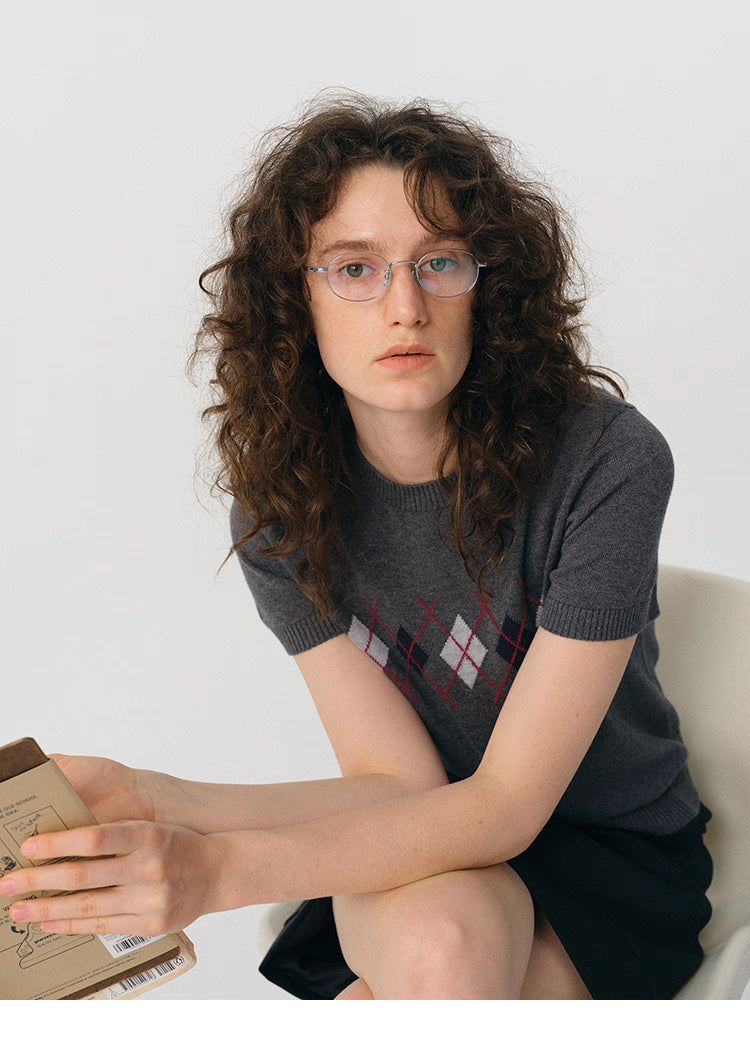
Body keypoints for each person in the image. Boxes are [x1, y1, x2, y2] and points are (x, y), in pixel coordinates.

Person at [0, 94, 712, 1000]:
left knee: (419, 978)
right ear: (294, 303)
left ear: (488, 289)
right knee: (443, 947)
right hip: (414, 840)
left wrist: (216, 874)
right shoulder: (281, 516)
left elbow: (503, 806)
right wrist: (156, 797)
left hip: (612, 853)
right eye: (354, 269)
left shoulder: (605, 459)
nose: (404, 306)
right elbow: (399, 785)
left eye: (440, 263)